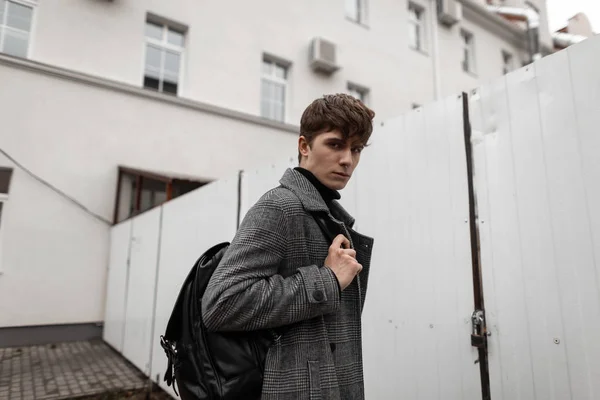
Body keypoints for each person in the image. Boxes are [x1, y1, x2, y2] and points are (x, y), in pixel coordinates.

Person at [202, 93, 375, 400]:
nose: (348, 159)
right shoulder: (280, 206)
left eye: (356, 149)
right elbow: (221, 303)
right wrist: (328, 280)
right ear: (304, 146)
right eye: (335, 144)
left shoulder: (327, 215)